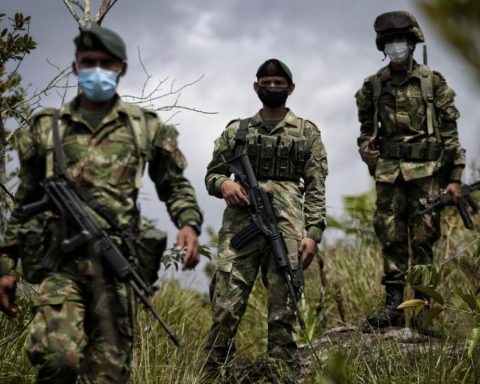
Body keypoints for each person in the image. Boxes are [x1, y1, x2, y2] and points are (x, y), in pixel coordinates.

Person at [0, 26, 203, 383]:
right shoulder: (47, 129)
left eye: (105, 63)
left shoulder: (145, 128)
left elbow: (173, 184)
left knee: (109, 376)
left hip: (116, 265)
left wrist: (188, 224)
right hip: (60, 265)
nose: (97, 69)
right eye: (88, 62)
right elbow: (25, 199)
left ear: (121, 68)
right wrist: (6, 263)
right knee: (58, 359)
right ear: (76, 66)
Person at [204, 58, 328, 378]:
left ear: (291, 88)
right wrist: (225, 184)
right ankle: (213, 373)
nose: (273, 88)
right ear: (255, 87)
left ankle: (281, 374)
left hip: (285, 228)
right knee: (226, 306)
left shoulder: (307, 133)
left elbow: (316, 187)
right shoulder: (238, 131)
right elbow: (212, 175)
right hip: (241, 225)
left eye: (279, 83)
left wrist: (313, 233)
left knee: (283, 308)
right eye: (267, 82)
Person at [355, 11, 465, 335]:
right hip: (389, 175)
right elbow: (364, 131)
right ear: (382, 46)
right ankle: (392, 307)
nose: (396, 47)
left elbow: (451, 133)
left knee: (423, 242)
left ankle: (421, 312)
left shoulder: (434, 82)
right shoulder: (372, 87)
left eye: (400, 41)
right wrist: (366, 150)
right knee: (390, 239)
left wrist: (455, 178)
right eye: (389, 42)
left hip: (427, 174)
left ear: (413, 43)